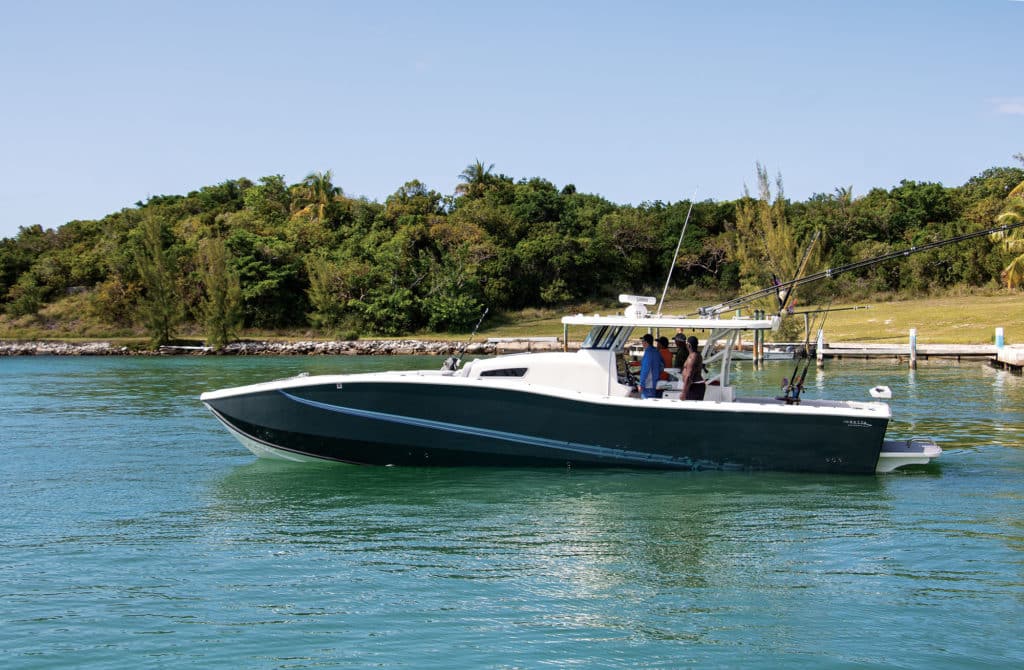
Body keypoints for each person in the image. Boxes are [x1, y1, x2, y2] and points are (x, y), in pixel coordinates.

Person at [638, 333, 664, 399]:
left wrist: (641, 384)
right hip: (655, 382)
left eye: (642, 341)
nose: (642, 343)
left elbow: (645, 370)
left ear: (646, 342)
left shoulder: (648, 353)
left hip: (648, 385)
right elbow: (662, 366)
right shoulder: (657, 352)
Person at [681, 335, 705, 401]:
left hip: (694, 386)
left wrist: (684, 392)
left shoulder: (692, 357)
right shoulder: (697, 355)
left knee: (690, 409)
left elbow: (689, 376)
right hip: (696, 385)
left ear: (689, 345)